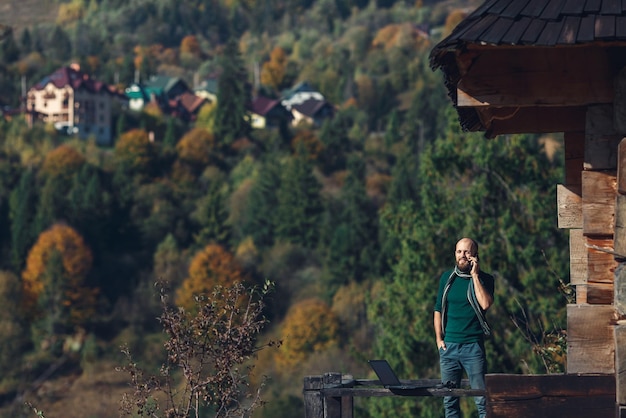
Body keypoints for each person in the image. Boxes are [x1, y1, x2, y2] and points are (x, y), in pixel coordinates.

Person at [433, 237, 495, 418]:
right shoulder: (447, 278)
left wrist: (475, 275)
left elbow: (485, 304)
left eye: (467, 252)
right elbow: (438, 309)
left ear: (474, 255)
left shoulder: (485, 279)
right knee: (449, 401)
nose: (463, 256)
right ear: (455, 254)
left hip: (472, 347)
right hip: (449, 347)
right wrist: (439, 340)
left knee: (482, 400)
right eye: (459, 252)